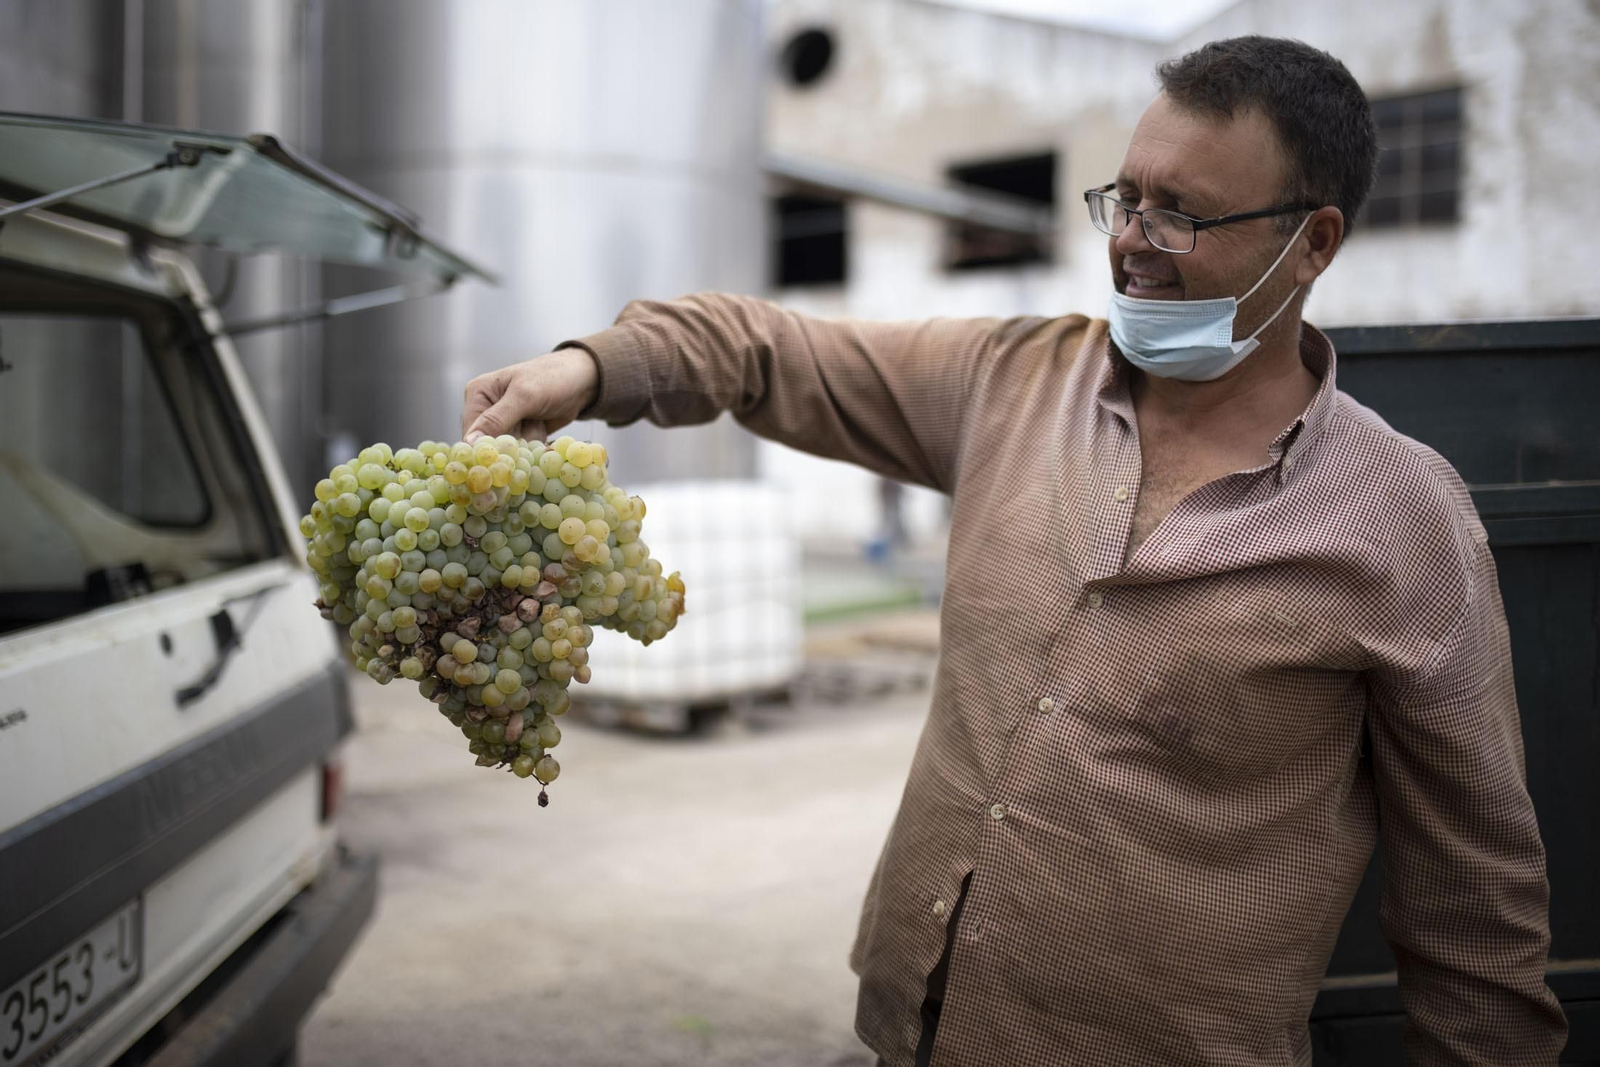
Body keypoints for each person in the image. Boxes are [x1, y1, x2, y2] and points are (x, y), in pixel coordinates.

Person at [459, 35, 1565, 1067]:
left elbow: (1474, 912)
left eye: (1180, 214)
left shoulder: (1404, 519)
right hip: (912, 1024)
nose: (1130, 239)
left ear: (1311, 241)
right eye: (1124, 198)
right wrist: (588, 370)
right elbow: (764, 348)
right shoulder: (1014, 381)